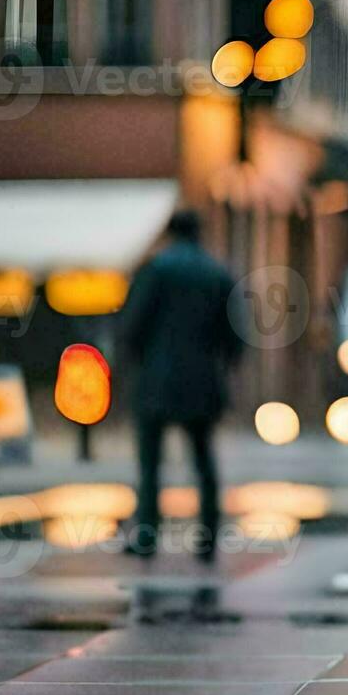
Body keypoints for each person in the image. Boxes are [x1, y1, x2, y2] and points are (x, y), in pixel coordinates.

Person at [120, 210, 242, 560]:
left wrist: (133, 362)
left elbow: (133, 326)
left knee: (150, 464)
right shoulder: (217, 272)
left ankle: (147, 536)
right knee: (204, 462)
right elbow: (234, 335)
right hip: (203, 381)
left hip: (157, 381)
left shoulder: (156, 270)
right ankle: (207, 538)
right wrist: (224, 368)